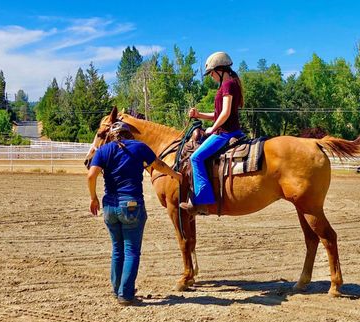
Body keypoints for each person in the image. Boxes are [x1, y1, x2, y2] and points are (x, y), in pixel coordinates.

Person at [87, 121, 182, 306]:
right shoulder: (139, 147)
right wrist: (176, 175)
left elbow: (91, 175)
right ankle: (126, 294)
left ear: (113, 135)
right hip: (131, 203)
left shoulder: (104, 150)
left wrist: (93, 198)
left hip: (109, 206)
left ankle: (117, 290)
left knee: (117, 249)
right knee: (131, 250)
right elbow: (159, 165)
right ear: (129, 134)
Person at [180, 51, 244, 215]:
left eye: (211, 73)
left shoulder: (227, 85)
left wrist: (213, 129)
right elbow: (218, 113)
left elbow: (226, 113)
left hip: (225, 133)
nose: (211, 77)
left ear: (219, 70)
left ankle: (202, 201)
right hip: (230, 130)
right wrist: (199, 115)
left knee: (196, 157)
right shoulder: (231, 83)